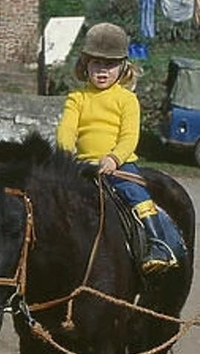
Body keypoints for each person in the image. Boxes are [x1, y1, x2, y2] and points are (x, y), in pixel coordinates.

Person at [56, 22, 184, 276]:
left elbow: (129, 137)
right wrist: (64, 154)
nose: (102, 70)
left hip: (118, 165)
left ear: (123, 67)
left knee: (136, 194)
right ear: (85, 65)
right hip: (82, 166)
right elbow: (67, 129)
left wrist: (114, 158)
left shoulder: (127, 100)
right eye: (96, 63)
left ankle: (158, 245)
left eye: (110, 64)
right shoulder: (77, 99)